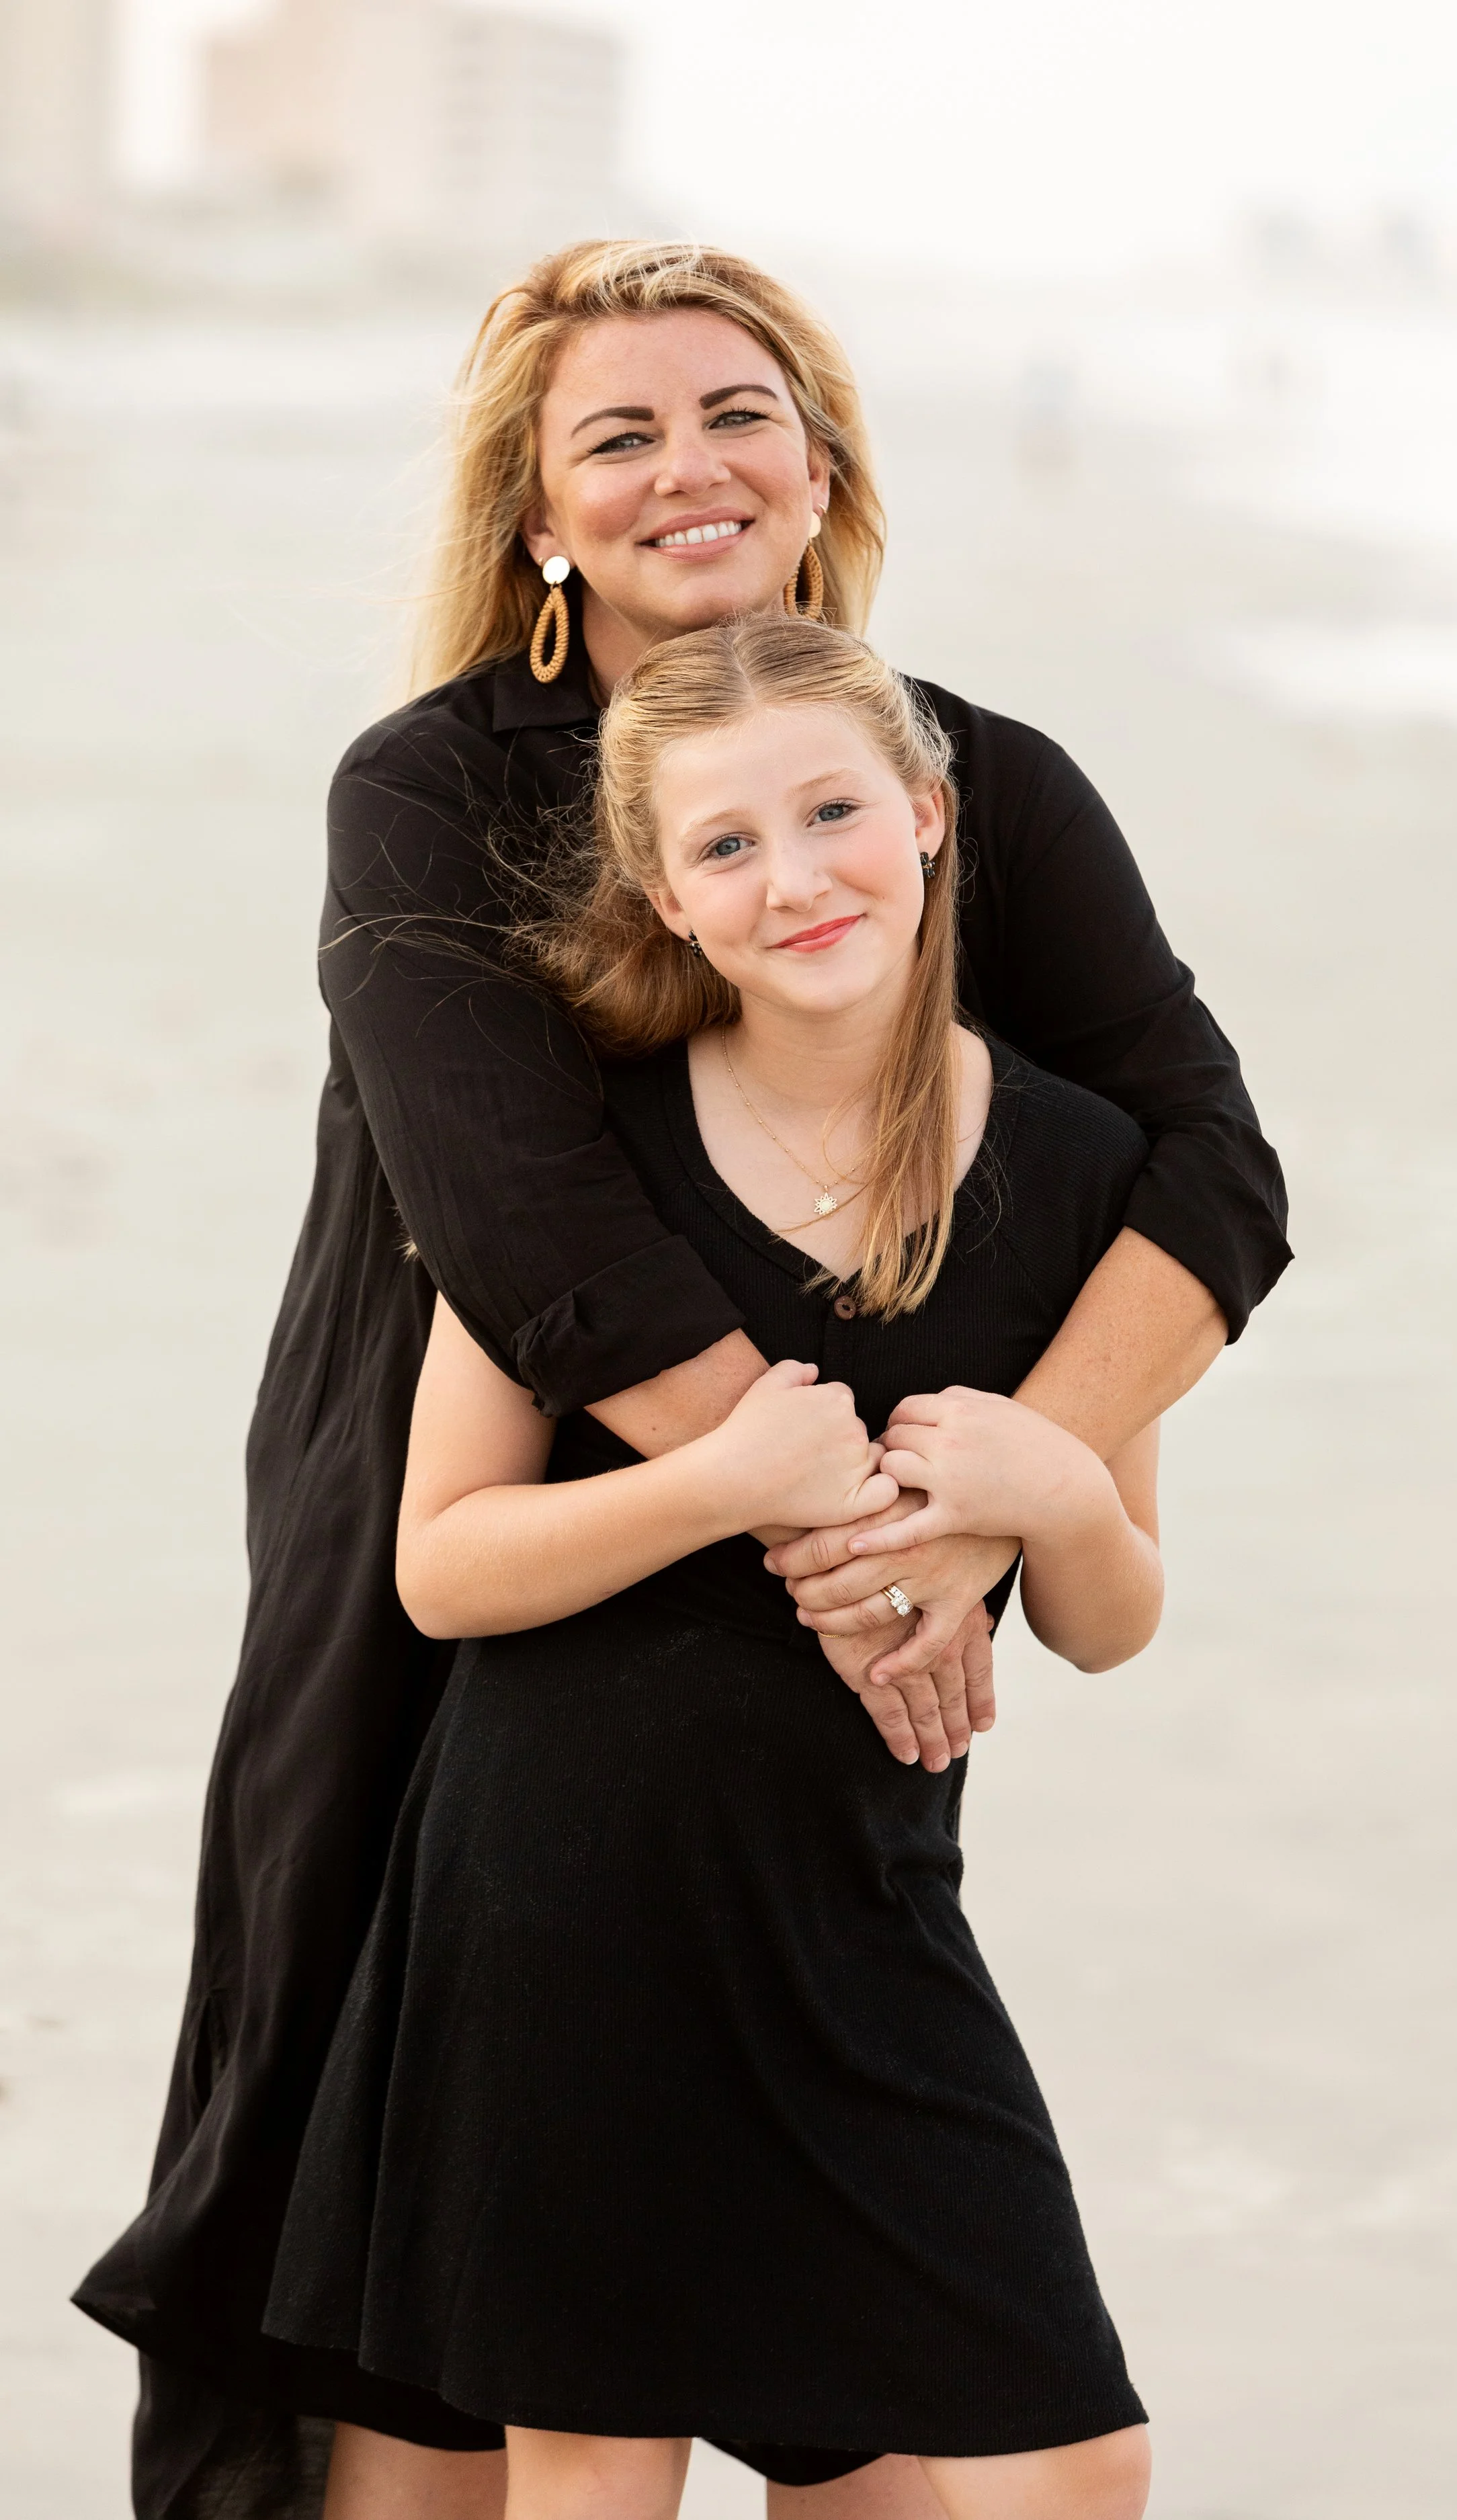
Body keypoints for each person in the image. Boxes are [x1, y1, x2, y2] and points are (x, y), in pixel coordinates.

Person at [75, 239, 1289, 2520]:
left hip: (861, 1529)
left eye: (735, 412)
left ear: (821, 461)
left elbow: (1207, 1168)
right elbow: (522, 1217)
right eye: (611, 436)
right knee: (398, 2215)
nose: (686, 469)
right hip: (465, 1460)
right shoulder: (431, 785)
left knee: (783, 2226)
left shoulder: (963, 778)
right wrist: (806, 1505)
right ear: (534, 514)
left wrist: (999, 1498)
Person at [265, 616, 1161, 2520]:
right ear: (665, 897)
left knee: (1069, 2455)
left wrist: (1051, 1488)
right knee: (600, 2473)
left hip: (862, 1910)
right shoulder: (585, 1159)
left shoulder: (1087, 1173)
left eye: (833, 809)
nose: (796, 874)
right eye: (727, 845)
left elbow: (1108, 1615)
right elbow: (444, 1564)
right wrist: (723, 1479)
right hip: (559, 1905)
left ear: (927, 818)